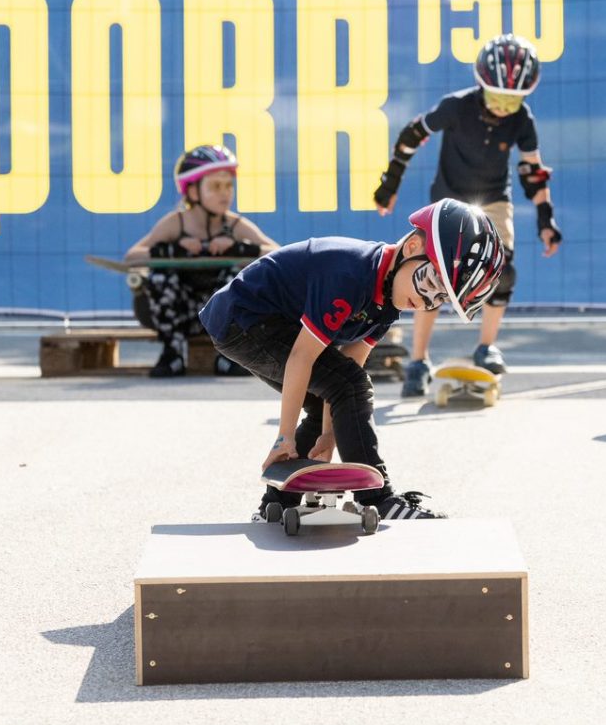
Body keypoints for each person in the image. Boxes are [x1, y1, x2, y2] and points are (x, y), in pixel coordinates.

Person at [198, 199, 505, 521]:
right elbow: (303, 357)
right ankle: (380, 499)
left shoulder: (388, 304)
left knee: (335, 392)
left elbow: (352, 359)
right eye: (429, 282)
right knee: (349, 385)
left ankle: (276, 505)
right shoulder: (351, 274)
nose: (426, 300)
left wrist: (329, 434)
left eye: (439, 298)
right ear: (412, 246)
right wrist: (283, 435)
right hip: (244, 317)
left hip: (261, 322)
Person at [373, 33, 563, 396]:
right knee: (430, 278)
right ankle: (418, 359)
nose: (504, 108)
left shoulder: (522, 119)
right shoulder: (456, 107)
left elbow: (533, 171)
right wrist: (390, 182)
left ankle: (485, 346)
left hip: (493, 200)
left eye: (513, 100)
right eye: (498, 97)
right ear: (480, 85)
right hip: (448, 201)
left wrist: (545, 219)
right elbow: (412, 135)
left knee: (503, 272)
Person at [124, 145, 278, 377]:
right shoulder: (177, 222)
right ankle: (172, 353)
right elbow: (132, 257)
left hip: (219, 313)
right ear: (194, 192)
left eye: (228, 186)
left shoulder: (236, 224)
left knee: (239, 275)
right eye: (216, 186)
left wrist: (241, 248)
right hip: (182, 313)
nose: (225, 193)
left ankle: (227, 356)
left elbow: (278, 253)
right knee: (159, 277)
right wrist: (171, 249)